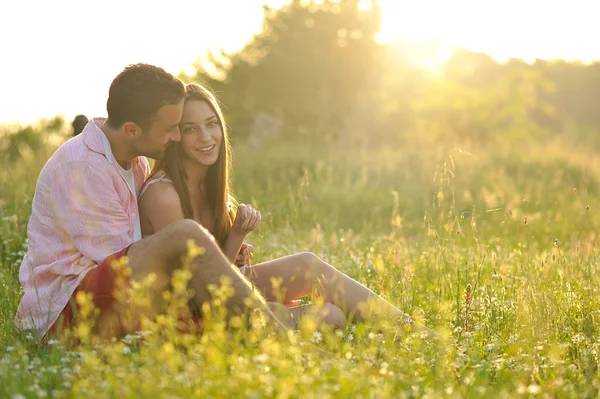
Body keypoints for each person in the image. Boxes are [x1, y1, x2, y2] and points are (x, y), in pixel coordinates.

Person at [15, 64, 286, 341]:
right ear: (132, 131)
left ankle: (260, 331)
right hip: (65, 314)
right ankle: (273, 338)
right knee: (187, 234)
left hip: (113, 296)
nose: (177, 137)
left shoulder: (137, 162)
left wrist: (214, 258)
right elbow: (121, 264)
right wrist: (206, 264)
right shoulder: (81, 165)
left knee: (206, 260)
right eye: (171, 128)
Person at [138, 83, 429, 331]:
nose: (206, 137)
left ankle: (411, 331)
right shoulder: (164, 195)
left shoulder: (207, 186)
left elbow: (223, 275)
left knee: (315, 280)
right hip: (189, 314)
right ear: (175, 136)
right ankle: (413, 335)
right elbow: (202, 293)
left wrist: (236, 253)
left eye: (211, 124)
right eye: (191, 129)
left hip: (222, 295)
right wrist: (236, 237)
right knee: (325, 316)